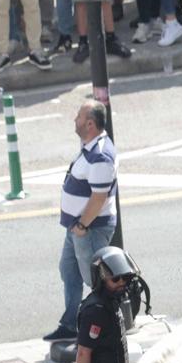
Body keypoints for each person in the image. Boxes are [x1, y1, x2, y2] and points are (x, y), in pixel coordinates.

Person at [48, 101, 119, 343]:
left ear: (90, 123)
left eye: (78, 116)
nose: (74, 120)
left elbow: (99, 197)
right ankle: (70, 324)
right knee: (69, 270)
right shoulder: (90, 147)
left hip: (89, 228)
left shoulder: (100, 156)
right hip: (78, 228)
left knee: (94, 280)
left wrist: (82, 226)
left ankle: (108, 325)